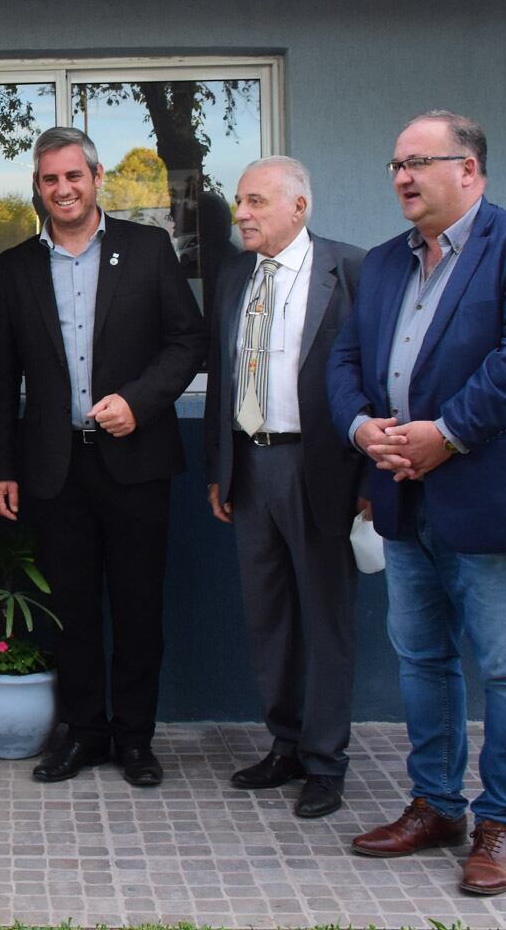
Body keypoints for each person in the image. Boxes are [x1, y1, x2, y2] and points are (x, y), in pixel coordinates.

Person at [328, 111, 506, 897]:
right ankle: (436, 805)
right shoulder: (380, 266)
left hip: (493, 495)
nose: (402, 176)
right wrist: (362, 425)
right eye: (395, 163)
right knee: (423, 659)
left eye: (419, 161)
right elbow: (344, 361)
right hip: (403, 498)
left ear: (468, 169)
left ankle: (502, 822)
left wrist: (450, 433)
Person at [0, 126, 207, 787]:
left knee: (138, 608)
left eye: (72, 176)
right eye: (50, 180)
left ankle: (135, 740)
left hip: (136, 460)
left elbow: (188, 341)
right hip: (54, 468)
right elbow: (2, 377)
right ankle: (84, 734)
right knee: (73, 610)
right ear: (38, 187)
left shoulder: (147, 248)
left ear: (97, 176)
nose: (63, 189)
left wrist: (138, 400)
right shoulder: (17, 266)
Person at [203, 156, 365, 820]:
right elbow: (223, 376)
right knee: (269, 616)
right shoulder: (234, 274)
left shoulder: (350, 270)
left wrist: (371, 481)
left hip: (321, 466)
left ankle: (326, 763)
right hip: (250, 463)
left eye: (256, 202)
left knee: (325, 618)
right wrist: (221, 465)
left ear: (299, 207)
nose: (241, 214)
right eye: (240, 201)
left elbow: (375, 379)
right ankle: (286, 744)